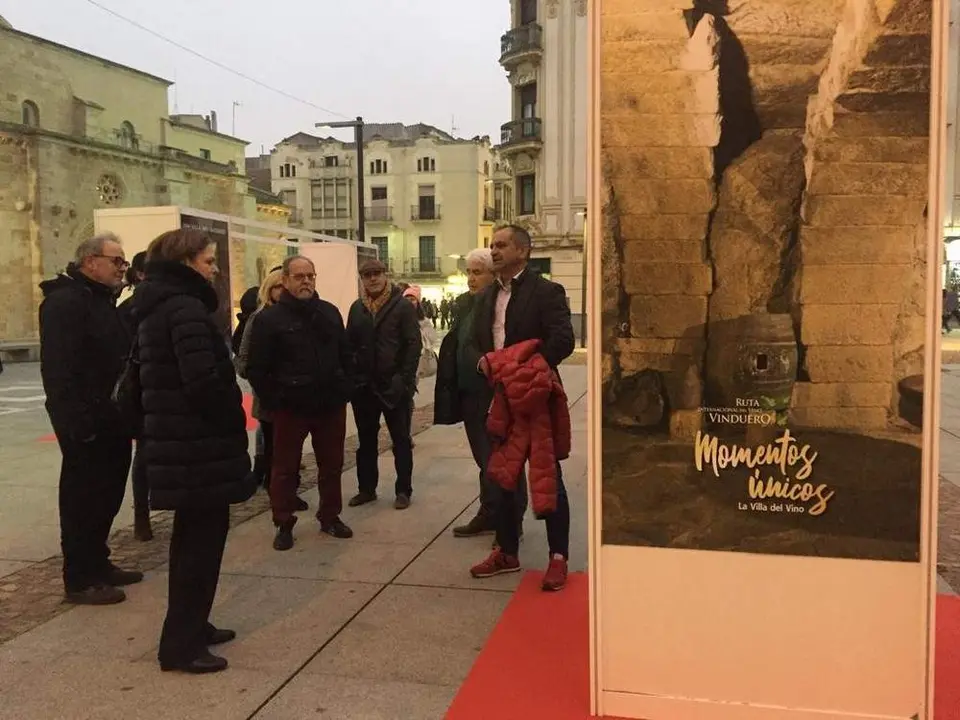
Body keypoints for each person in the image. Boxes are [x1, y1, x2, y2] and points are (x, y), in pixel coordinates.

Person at [133, 228, 256, 674]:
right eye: (208, 261)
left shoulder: (163, 305)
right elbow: (203, 381)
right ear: (186, 262)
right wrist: (230, 417)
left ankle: (192, 625)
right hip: (196, 446)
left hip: (184, 444)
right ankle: (181, 645)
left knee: (194, 542)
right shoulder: (183, 308)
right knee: (197, 548)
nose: (215, 269)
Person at [468, 225, 575, 591]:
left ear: (523, 252)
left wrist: (525, 370)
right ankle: (506, 551)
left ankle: (558, 557)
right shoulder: (486, 296)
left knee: (548, 478)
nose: (494, 251)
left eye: (501, 245)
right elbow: (475, 341)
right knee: (502, 478)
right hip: (500, 400)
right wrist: (483, 364)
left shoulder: (546, 292)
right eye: (492, 245)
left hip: (535, 399)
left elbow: (563, 340)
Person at [39, 232, 143, 606]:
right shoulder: (65, 303)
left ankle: (98, 562)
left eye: (124, 261)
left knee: (108, 494)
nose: (122, 268)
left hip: (111, 418)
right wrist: (76, 423)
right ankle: (80, 577)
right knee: (83, 499)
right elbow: (59, 371)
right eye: (116, 261)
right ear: (90, 262)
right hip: (85, 421)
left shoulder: (102, 301)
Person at [246, 255, 355, 550]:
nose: (306, 281)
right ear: (285, 280)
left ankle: (330, 516)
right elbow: (256, 368)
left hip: (329, 405)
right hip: (290, 408)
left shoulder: (329, 313)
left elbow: (346, 354)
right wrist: (276, 399)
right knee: (284, 468)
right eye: (299, 276)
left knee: (332, 464)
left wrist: (345, 387)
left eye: (310, 276)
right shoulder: (269, 320)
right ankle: (283, 522)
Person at [434, 248, 528, 538]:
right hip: (468, 393)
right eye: (469, 272)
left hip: (494, 393)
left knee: (504, 461)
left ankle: (511, 522)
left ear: (493, 274)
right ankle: (489, 512)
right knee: (484, 460)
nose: (471, 278)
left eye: (477, 272)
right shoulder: (466, 303)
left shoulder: (500, 304)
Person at [346, 258, 421, 510]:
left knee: (401, 440)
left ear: (384, 275)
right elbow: (349, 344)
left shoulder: (402, 306)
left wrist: (403, 380)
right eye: (367, 275)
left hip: (393, 386)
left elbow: (413, 345)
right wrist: (354, 377)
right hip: (364, 388)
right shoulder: (357, 308)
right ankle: (366, 489)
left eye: (377, 273)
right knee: (366, 441)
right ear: (362, 279)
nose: (373, 278)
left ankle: (403, 490)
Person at [117, 251, 153, 542]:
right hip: (139, 388)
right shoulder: (128, 310)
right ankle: (142, 513)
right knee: (144, 452)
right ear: (140, 274)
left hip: (159, 386)